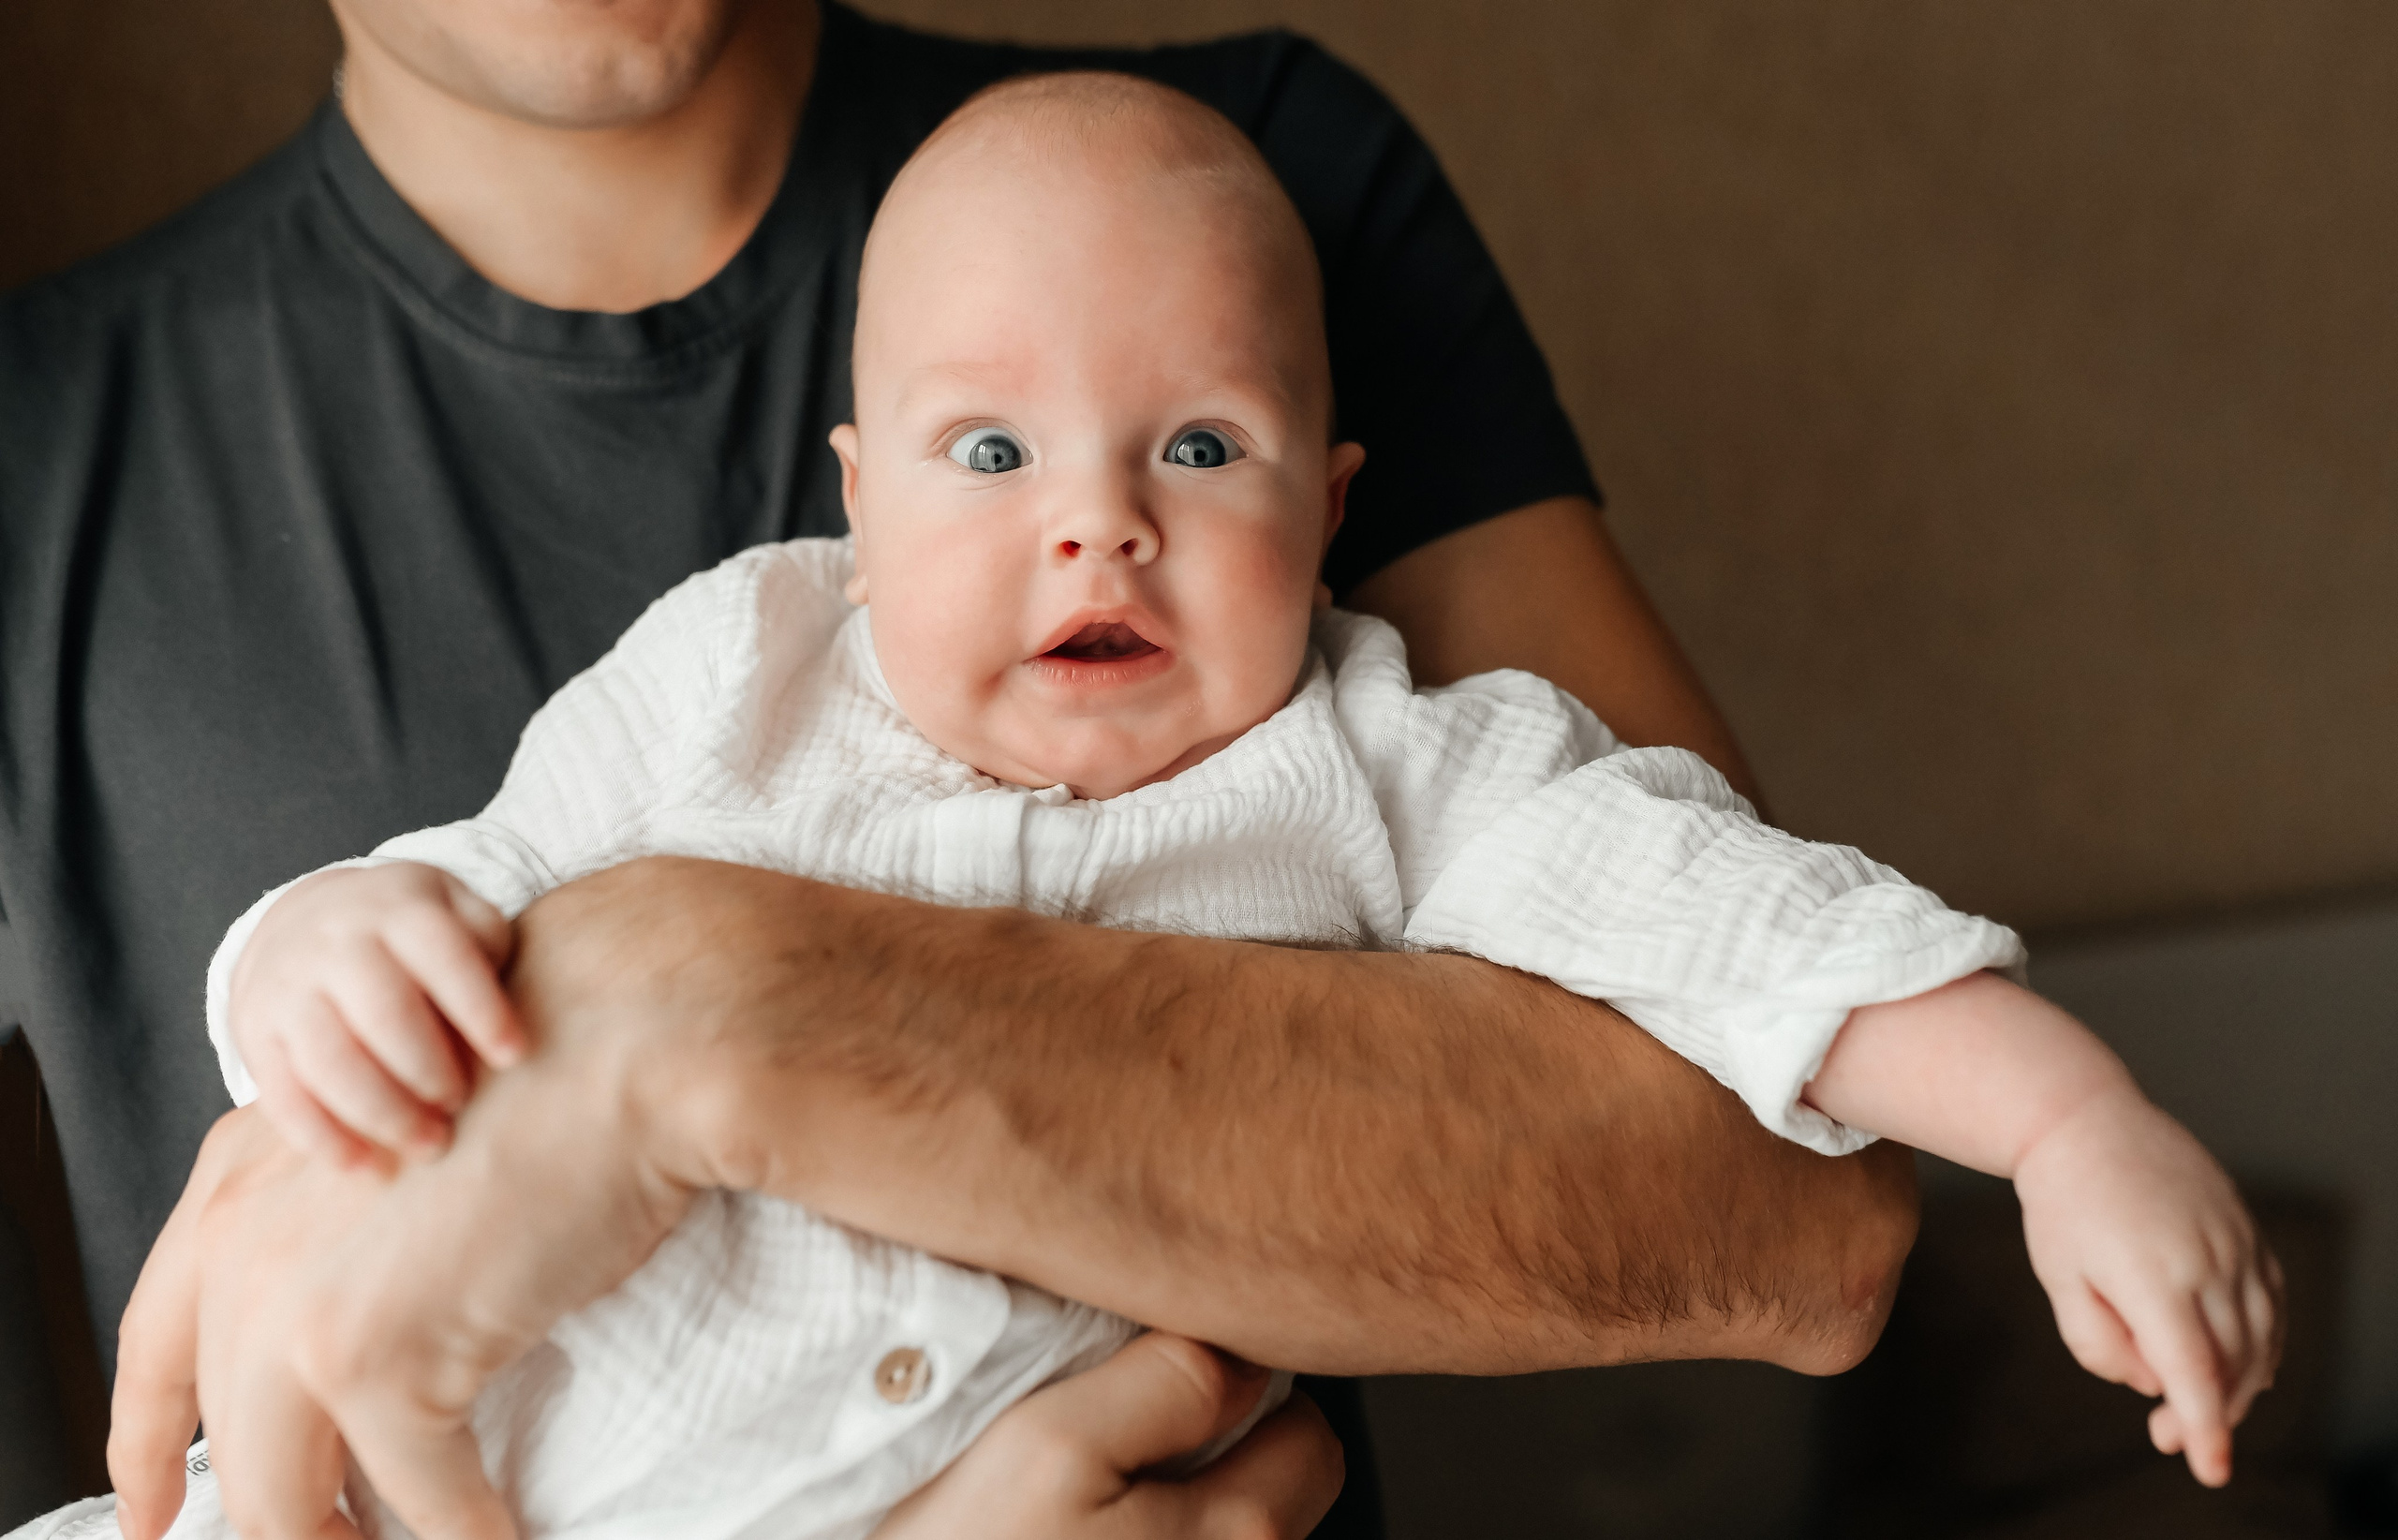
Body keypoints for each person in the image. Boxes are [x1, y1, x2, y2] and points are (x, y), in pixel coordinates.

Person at [36, 68, 2275, 1540]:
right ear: (849, 503)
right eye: (989, 458)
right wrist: (312, 952)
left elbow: (1743, 954)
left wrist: (2067, 1117)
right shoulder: (745, 660)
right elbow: (460, 884)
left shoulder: (1396, 763)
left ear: (1330, 502)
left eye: (1195, 453)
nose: (1091, 530)